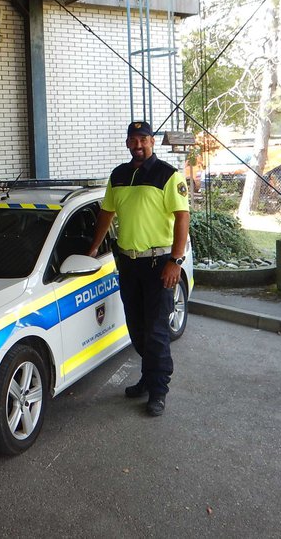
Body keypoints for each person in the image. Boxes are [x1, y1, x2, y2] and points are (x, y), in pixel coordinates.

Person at [88, 121, 190, 416]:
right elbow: (106, 214)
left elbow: (182, 217)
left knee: (157, 331)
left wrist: (176, 260)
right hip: (128, 264)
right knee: (137, 328)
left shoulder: (167, 175)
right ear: (127, 144)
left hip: (159, 265)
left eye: (143, 139)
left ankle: (158, 390)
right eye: (133, 140)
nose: (138, 145)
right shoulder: (119, 175)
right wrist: (93, 248)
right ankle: (148, 378)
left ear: (152, 143)